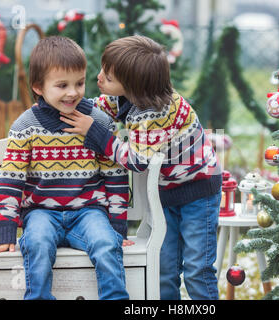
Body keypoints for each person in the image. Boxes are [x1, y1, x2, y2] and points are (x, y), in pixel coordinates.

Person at [59, 35, 222, 300]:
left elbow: (136, 161)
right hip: (167, 195)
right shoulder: (130, 99)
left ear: (134, 86)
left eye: (108, 77)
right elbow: (100, 107)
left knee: (196, 268)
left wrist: (96, 134)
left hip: (198, 192)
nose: (99, 78)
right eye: (103, 70)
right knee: (164, 268)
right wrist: (62, 105)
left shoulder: (155, 113)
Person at [0, 36, 130, 300]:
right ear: (39, 86)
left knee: (106, 243)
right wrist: (4, 231)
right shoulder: (25, 126)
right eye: (62, 85)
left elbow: (115, 176)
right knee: (36, 242)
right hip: (41, 213)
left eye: (79, 83)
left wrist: (117, 227)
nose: (73, 92)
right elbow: (10, 180)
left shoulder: (97, 121)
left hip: (88, 212)